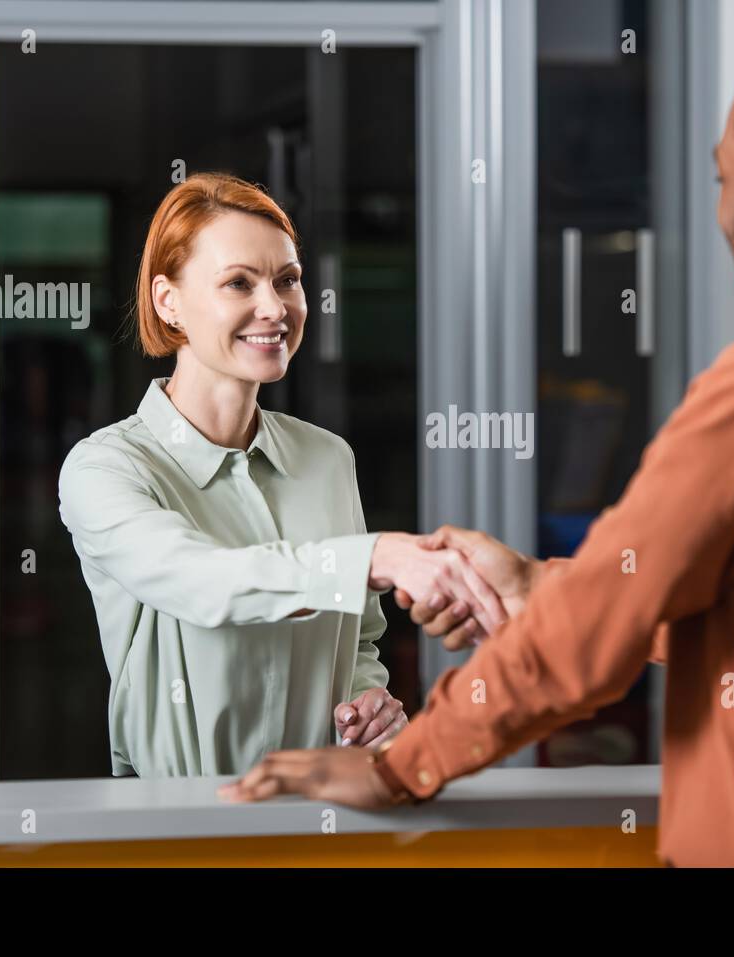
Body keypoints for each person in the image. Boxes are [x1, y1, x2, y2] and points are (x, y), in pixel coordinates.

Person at [218, 38, 734, 867]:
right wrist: (536, 586)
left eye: (726, 179)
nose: (723, 210)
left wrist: (402, 766)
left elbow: (590, 642)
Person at [58, 172, 506, 777]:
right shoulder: (105, 469)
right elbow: (200, 581)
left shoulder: (326, 458)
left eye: (287, 280)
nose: (275, 307)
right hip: (178, 827)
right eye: (238, 283)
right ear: (169, 302)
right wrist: (376, 556)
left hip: (323, 813)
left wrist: (369, 705)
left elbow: (360, 639)